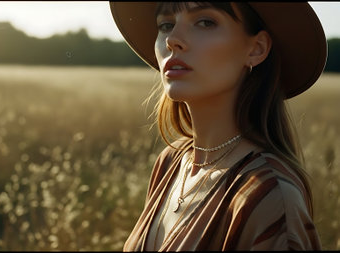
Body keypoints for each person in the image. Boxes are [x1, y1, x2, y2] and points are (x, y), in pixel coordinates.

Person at [110, 2, 327, 251]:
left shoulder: (270, 196)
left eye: (205, 22)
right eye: (166, 25)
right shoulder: (171, 161)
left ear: (256, 49)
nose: (172, 40)